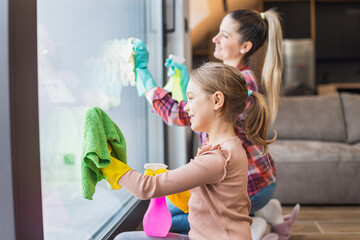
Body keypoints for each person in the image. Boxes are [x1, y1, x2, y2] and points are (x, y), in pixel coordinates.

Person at [132, 9, 299, 240]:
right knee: (171, 213)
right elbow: (195, 110)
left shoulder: (241, 81)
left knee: (172, 220)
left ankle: (255, 223)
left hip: (251, 185)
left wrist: (146, 81)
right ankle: (262, 211)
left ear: (245, 47)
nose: (214, 39)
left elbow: (179, 113)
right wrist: (186, 87)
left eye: (224, 35)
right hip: (241, 183)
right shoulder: (227, 76)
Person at [102, 62, 276, 240]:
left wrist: (105, 162)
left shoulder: (219, 158)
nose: (185, 107)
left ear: (217, 101)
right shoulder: (226, 146)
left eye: (191, 98)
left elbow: (146, 188)